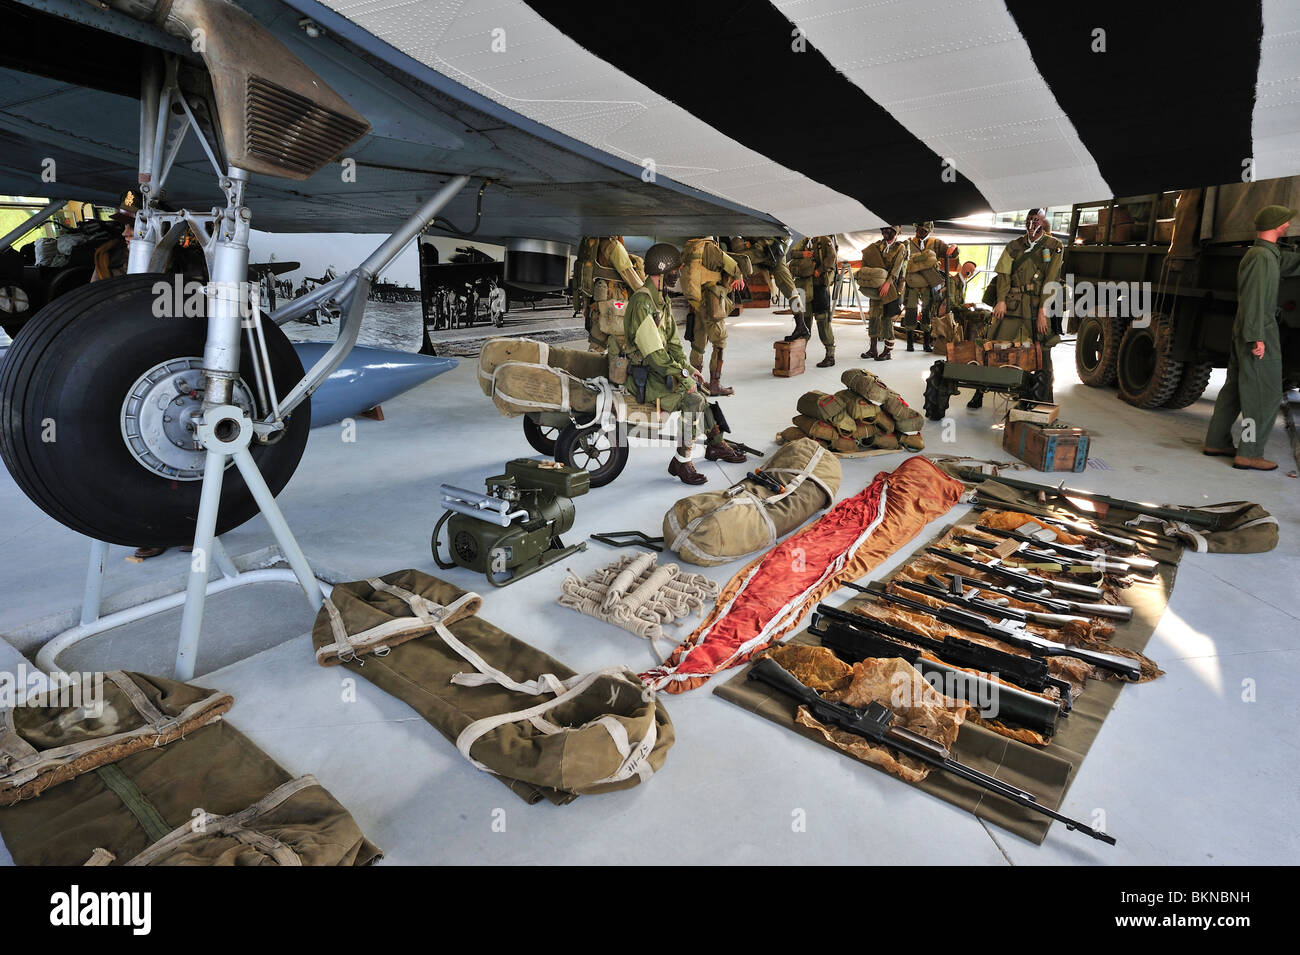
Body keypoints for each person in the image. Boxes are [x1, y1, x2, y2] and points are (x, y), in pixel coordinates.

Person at [623, 243, 746, 485]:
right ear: (661, 271)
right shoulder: (642, 303)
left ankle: (715, 444)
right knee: (694, 399)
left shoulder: (660, 299)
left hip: (656, 371)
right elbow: (655, 355)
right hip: (643, 376)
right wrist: (682, 375)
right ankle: (681, 461)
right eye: (675, 270)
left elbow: (673, 344)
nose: (678, 275)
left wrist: (689, 370)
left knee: (699, 389)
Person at [1203, 204, 1300, 471]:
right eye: (1286, 221)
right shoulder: (1261, 258)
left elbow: (1288, 262)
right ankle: (1249, 452)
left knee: (1235, 388)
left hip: (1248, 329)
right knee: (1262, 397)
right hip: (1258, 331)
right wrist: (1257, 338)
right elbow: (1254, 300)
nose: (1289, 225)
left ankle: (1216, 441)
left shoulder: (1265, 254)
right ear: (1278, 224)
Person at [972, 208, 1063, 408]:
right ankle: (980, 391)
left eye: (1037, 221)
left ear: (1044, 223)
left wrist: (1043, 311)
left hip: (1037, 305)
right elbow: (1004, 274)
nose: (1032, 225)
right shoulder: (1014, 246)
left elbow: (1051, 280)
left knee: (1044, 350)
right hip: (1012, 303)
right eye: (1029, 221)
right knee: (993, 344)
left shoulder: (1054, 246)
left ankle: (1046, 397)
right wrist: (1001, 300)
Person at [681, 236, 746, 395]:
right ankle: (715, 385)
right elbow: (730, 263)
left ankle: (696, 383)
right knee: (720, 341)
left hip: (697, 302)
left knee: (699, 342)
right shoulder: (710, 247)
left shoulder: (690, 247)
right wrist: (738, 276)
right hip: (712, 301)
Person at [573, 236, 645, 351]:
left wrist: (586, 306)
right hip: (615, 303)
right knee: (622, 349)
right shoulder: (612, 246)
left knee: (596, 346)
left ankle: (590, 367)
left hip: (597, 303)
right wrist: (646, 294)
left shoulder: (589, 245)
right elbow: (629, 274)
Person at [786, 235, 838, 367]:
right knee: (804, 319)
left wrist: (819, 270)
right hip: (803, 285)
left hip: (819, 285)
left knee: (822, 319)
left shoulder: (825, 241)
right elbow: (792, 253)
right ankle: (801, 352)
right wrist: (803, 254)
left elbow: (831, 258)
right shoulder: (804, 241)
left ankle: (830, 355)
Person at [859, 225, 909, 361]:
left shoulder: (900, 248)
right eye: (883, 230)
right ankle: (873, 349)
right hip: (876, 286)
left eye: (888, 231)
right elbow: (867, 262)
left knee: (887, 317)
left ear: (895, 232)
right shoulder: (875, 247)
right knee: (874, 315)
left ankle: (887, 351)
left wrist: (888, 283)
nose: (885, 233)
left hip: (891, 287)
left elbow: (897, 268)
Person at [902, 221, 949, 352]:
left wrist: (954, 248)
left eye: (923, 231)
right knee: (910, 310)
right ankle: (909, 342)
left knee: (927, 312)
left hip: (929, 284)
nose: (919, 233)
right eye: (917, 230)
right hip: (913, 283)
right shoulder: (909, 243)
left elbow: (952, 253)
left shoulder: (937, 243)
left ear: (929, 230)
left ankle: (926, 343)